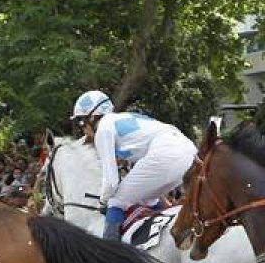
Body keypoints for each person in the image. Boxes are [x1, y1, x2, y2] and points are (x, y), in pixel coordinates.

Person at [70, 90, 197, 240]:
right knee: (149, 200)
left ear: (93, 117)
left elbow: (111, 182)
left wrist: (103, 202)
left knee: (116, 201)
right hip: (189, 152)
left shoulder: (103, 129)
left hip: (166, 152)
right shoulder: (121, 119)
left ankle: (109, 256)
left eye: (81, 122)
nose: (83, 130)